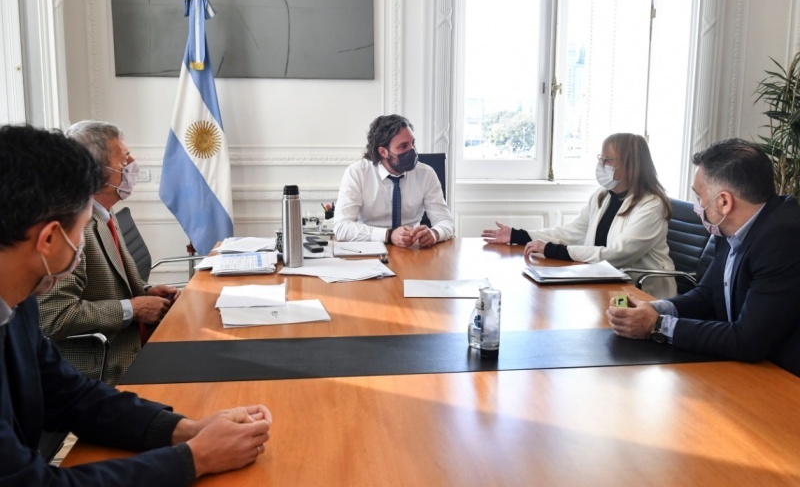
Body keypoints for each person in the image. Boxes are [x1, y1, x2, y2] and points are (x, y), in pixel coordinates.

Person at [0, 124, 272, 487]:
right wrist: (195, 458)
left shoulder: (19, 302)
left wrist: (184, 429)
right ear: (49, 239)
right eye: (81, 230)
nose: (82, 244)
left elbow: (70, 394)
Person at [606, 138, 800, 377]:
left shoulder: (783, 238)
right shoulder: (727, 226)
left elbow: (748, 340)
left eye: (699, 197)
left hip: (783, 377)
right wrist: (654, 308)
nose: (697, 206)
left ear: (724, 202)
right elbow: (707, 294)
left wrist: (655, 325)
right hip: (746, 367)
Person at [37, 120, 179, 386]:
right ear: (97, 172)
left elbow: (107, 288)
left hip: (136, 345)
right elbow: (55, 317)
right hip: (101, 370)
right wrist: (131, 309)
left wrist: (146, 293)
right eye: (125, 158)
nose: (133, 163)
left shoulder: (104, 213)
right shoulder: (69, 228)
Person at [482, 133, 677, 299]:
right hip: (606, 283)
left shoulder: (651, 205)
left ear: (630, 166)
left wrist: (552, 250)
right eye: (601, 158)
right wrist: (518, 236)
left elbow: (618, 254)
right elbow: (573, 231)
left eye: (608, 160)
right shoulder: (603, 196)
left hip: (643, 294)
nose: (601, 165)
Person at [333, 114, 455, 248]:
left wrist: (435, 233)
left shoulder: (426, 173)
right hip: (369, 250)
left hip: (412, 251)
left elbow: (446, 221)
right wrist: (388, 235)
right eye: (403, 146)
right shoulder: (357, 173)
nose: (412, 151)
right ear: (383, 152)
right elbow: (341, 227)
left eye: (412, 143)